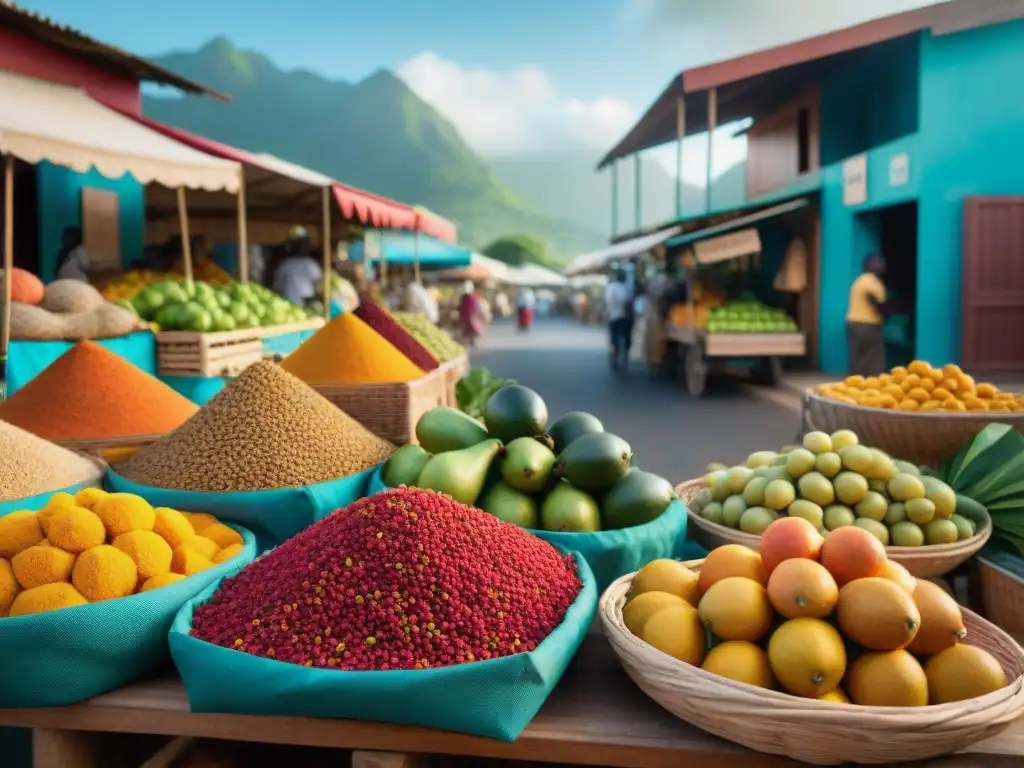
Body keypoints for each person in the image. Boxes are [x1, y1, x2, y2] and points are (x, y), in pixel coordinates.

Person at [846, 254, 888, 375]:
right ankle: (870, 386)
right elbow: (872, 301)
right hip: (868, 325)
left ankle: (854, 384)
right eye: (879, 263)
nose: (883, 265)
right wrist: (885, 313)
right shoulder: (872, 282)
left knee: (858, 358)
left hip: (854, 323)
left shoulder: (860, 280)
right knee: (873, 360)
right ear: (870, 265)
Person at [272, 226, 323, 306]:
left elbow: (319, 287)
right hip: (290, 304)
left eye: (303, 243)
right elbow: (278, 288)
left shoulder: (311, 265)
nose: (301, 247)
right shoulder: (285, 265)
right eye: (298, 244)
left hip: (305, 303)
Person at [605, 269, 634, 370]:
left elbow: (607, 303)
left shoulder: (609, 288)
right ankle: (624, 356)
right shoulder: (622, 288)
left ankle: (615, 356)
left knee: (614, 338)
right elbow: (626, 302)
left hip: (612, 317)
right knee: (626, 338)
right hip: (622, 316)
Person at [458, 280, 485, 347]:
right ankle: (469, 341)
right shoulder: (468, 298)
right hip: (469, 316)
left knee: (471, 329)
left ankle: (470, 341)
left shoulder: (470, 298)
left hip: (470, 316)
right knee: (470, 329)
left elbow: (476, 307)